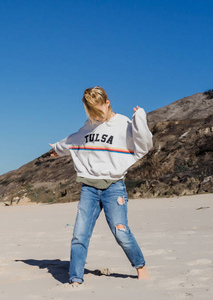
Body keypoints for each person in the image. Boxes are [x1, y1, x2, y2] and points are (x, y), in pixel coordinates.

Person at [49, 86, 152, 285]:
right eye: (92, 113)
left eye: (99, 111)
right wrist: (57, 149)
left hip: (114, 187)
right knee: (79, 234)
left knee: (121, 232)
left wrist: (140, 117)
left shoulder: (123, 124)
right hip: (89, 188)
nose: (97, 117)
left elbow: (144, 143)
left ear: (107, 103)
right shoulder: (89, 126)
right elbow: (73, 141)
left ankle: (141, 267)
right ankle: (76, 277)